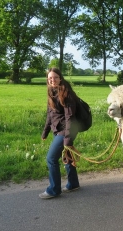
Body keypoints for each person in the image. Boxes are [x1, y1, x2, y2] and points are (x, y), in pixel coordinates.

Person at [39, 67, 80, 199]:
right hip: (58, 130)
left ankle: (54, 190)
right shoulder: (52, 92)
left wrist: (67, 138)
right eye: (50, 78)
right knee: (67, 156)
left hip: (67, 130)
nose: (53, 80)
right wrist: (45, 132)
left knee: (51, 159)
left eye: (55, 77)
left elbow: (70, 118)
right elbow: (49, 115)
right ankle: (73, 184)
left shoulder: (66, 93)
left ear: (60, 78)